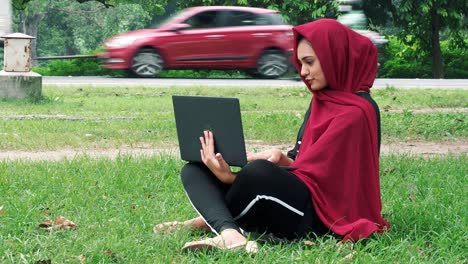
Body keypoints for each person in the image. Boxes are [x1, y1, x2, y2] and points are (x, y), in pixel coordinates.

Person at [154, 18, 390, 253]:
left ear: (334, 57)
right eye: (300, 63)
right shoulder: (323, 100)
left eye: (309, 62)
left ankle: (213, 220)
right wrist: (281, 158)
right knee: (195, 168)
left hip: (319, 215)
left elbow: (328, 183)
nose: (304, 72)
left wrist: (232, 179)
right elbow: (302, 162)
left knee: (258, 173)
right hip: (294, 197)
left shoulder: (357, 112)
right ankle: (228, 231)